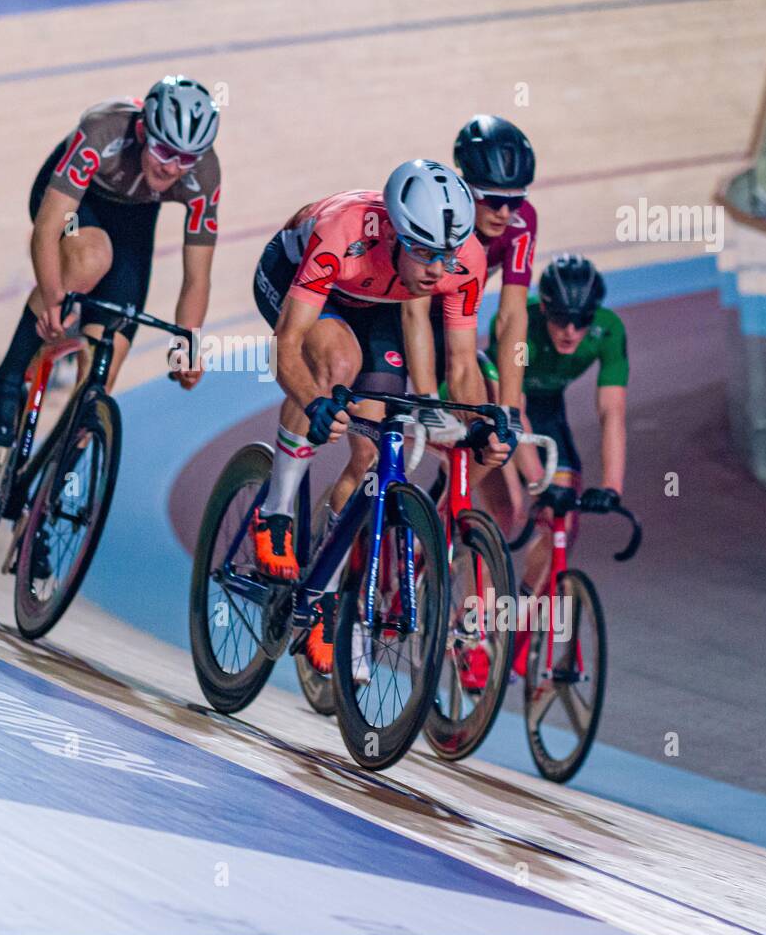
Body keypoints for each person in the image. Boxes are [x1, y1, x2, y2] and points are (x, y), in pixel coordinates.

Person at [250, 159, 515, 588]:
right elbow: (287, 344)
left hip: (375, 300)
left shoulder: (465, 261)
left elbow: (463, 364)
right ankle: (274, 514)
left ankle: (324, 589)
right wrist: (313, 402)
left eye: (446, 255)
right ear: (393, 233)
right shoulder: (342, 232)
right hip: (295, 275)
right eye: (424, 252)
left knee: (372, 449)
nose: (437, 270)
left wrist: (479, 425)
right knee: (338, 362)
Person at [0, 76, 220, 445]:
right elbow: (46, 230)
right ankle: (7, 381)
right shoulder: (103, 132)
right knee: (91, 258)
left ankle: (60, 467)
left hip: (133, 219)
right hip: (75, 203)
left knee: (99, 383)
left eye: (186, 158)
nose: (172, 168)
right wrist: (53, 298)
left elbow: (197, 278)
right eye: (164, 151)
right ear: (144, 130)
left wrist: (188, 345)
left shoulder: (204, 174)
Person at [489, 254, 629, 595]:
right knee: (505, 513)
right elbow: (513, 408)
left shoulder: (608, 330)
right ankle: (467, 610)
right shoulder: (523, 328)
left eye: (581, 321)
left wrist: (611, 487)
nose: (570, 331)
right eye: (561, 319)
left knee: (562, 520)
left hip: (547, 410)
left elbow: (612, 412)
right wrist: (538, 482)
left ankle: (523, 605)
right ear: (544, 309)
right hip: (499, 406)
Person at [424, 114, 538, 528]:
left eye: (516, 200)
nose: (505, 212)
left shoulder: (522, 224)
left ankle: (432, 520)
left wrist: (509, 407)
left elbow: (511, 317)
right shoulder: (439, 216)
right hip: (401, 324)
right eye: (492, 199)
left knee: (493, 431)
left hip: (454, 328)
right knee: (371, 449)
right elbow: (412, 312)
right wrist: (425, 395)